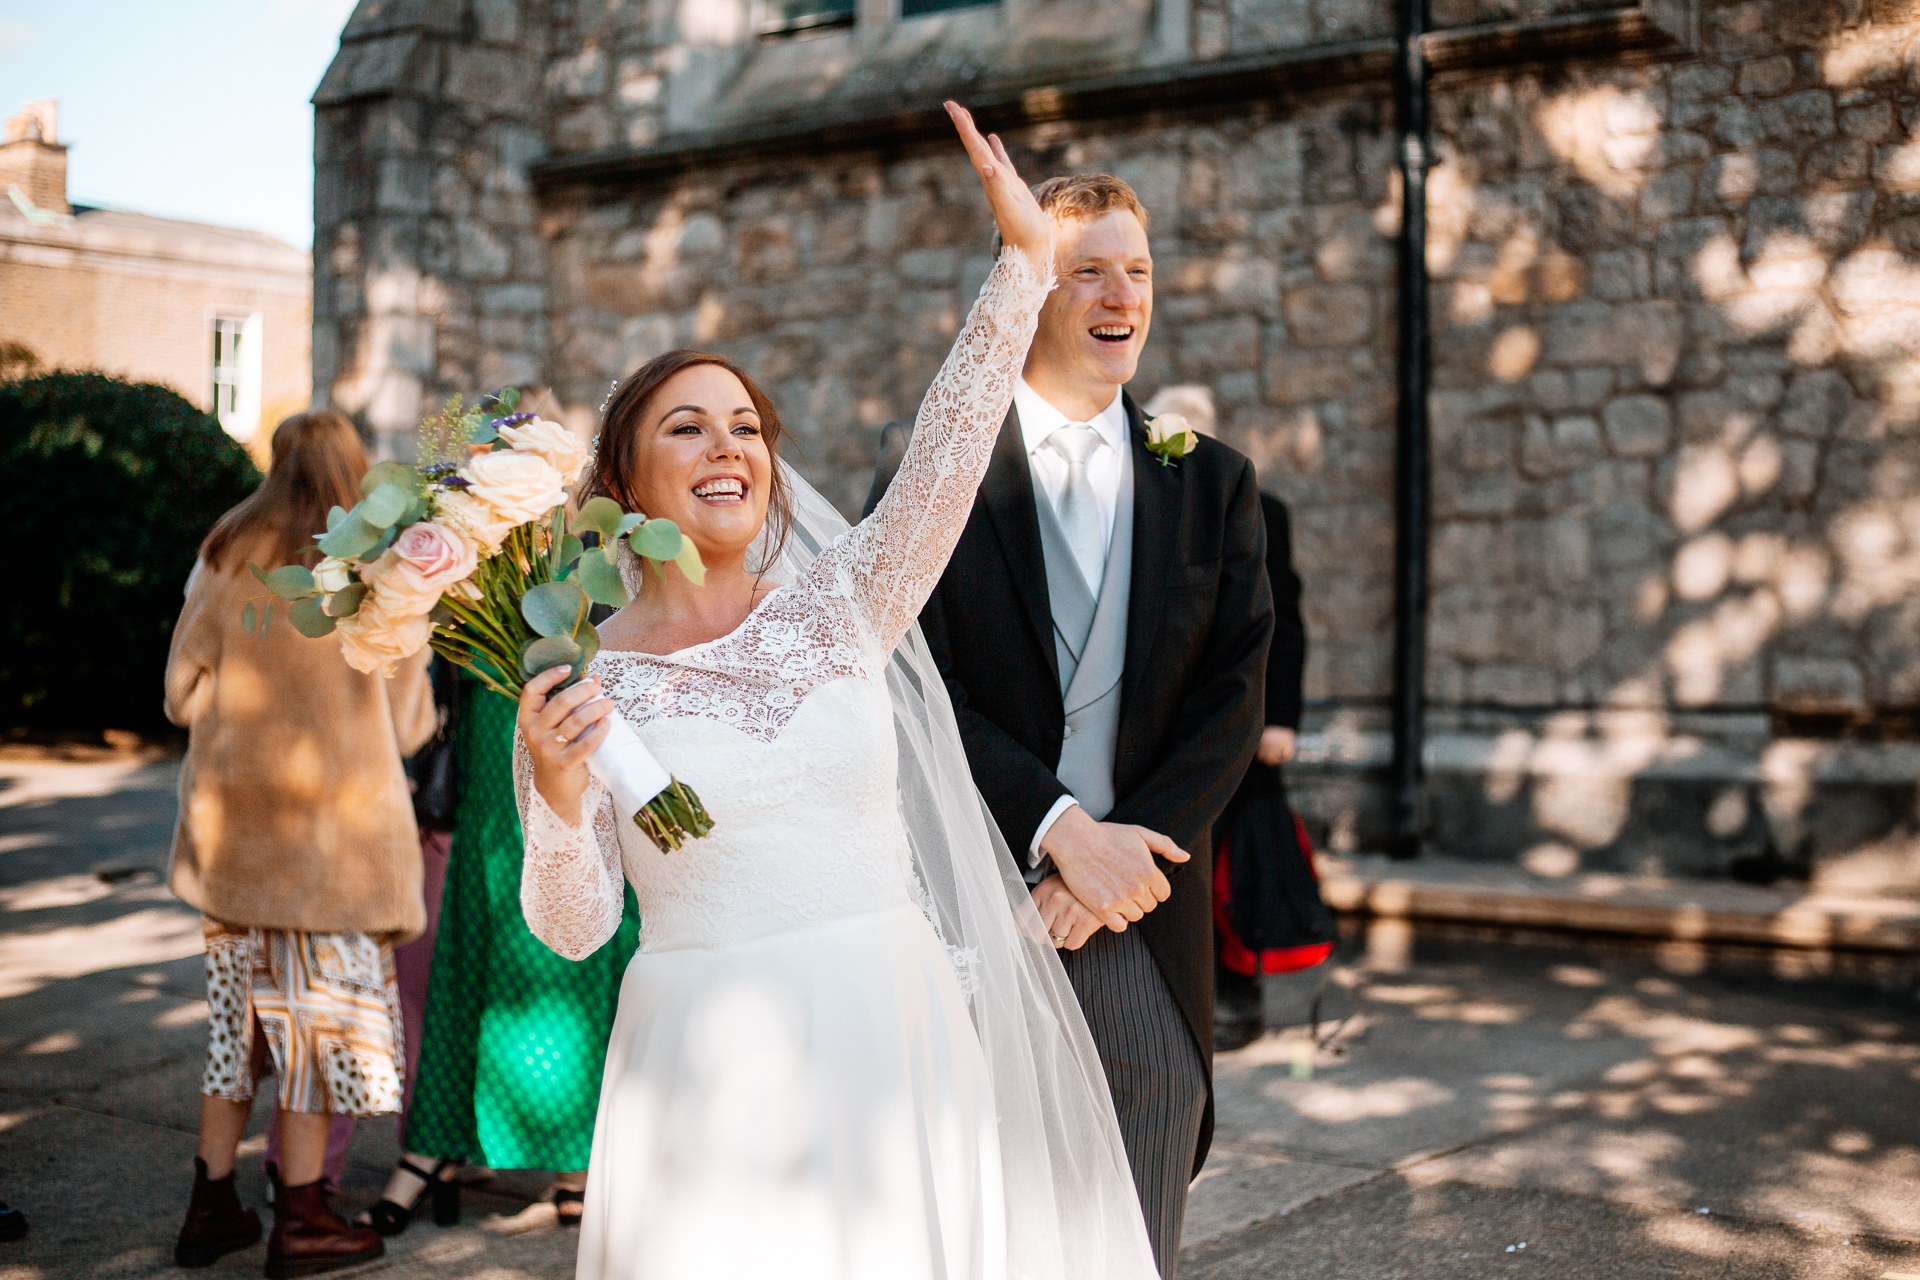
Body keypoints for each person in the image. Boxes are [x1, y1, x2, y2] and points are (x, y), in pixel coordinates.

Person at [513, 102, 1159, 1277]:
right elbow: (574, 928)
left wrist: (1023, 267)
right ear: (621, 478)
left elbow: (948, 450)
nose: (730, 447)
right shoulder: (584, 684)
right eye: (689, 427)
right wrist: (557, 794)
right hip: (708, 1064)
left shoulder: (842, 600)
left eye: (748, 426)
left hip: (891, 1023)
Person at [867, 175, 1274, 1273]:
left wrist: (1123, 850)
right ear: (1029, 288)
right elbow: (911, 685)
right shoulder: (934, 476)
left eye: (1137, 269)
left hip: (1147, 916)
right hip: (983, 907)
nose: (1120, 293)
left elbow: (1235, 692)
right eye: (1087, 267)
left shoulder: (1216, 483)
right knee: (987, 1226)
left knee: (1136, 1230)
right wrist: (1057, 829)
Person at [164, 410, 437, 1275]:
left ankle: (211, 1208)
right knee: (318, 1042)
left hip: (235, 842)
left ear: (275, 464)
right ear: (358, 470)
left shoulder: (224, 551)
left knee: (233, 1034)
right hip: (335, 855)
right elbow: (406, 729)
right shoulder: (375, 572)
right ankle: (304, 1220)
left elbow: (180, 692)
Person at [376, 667, 640, 1230]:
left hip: (577, 689)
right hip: (489, 701)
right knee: (483, 908)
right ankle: (436, 1142)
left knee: (570, 898)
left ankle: (575, 1160)